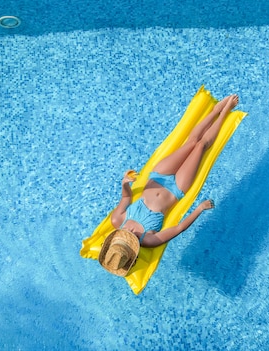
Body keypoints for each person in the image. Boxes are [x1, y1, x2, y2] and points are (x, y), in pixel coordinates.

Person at [99, 94, 239, 276]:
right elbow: (179, 228)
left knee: (191, 143)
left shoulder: (117, 220)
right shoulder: (148, 240)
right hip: (176, 189)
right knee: (201, 146)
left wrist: (124, 183)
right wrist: (199, 209)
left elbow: (126, 197)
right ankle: (225, 112)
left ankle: (215, 111)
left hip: (158, 177)